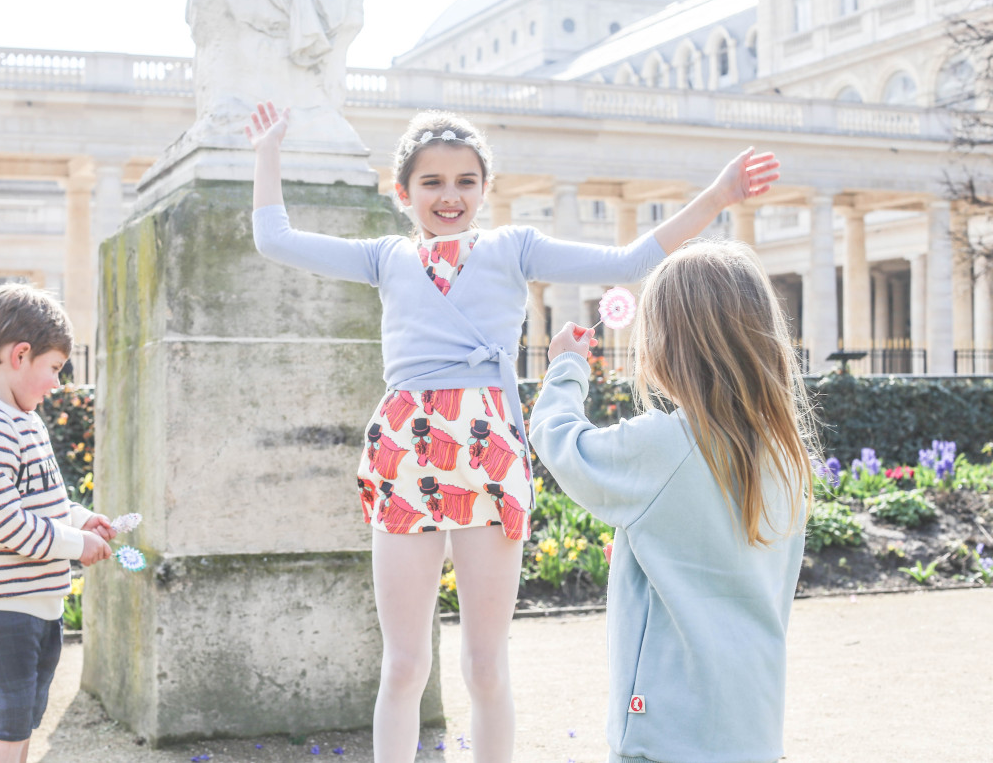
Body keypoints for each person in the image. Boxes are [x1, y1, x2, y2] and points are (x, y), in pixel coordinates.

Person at [245, 100, 780, 762]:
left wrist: (720, 194)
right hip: (405, 458)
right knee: (404, 665)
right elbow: (276, 240)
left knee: (485, 664)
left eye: (465, 181)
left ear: (485, 188)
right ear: (402, 190)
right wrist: (267, 151)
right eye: (433, 182)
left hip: (488, 456)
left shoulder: (513, 247)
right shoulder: (386, 256)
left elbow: (629, 259)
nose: (449, 195)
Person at [529, 240, 817, 763]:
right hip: (753, 724)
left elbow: (559, 442)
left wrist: (565, 369)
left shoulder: (663, 446)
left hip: (664, 725)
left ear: (665, 346)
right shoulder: (785, 453)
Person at [0, 283, 115, 763]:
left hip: (36, 604)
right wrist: (75, 545)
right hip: (4, 606)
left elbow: (42, 502)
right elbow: (1, 521)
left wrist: (82, 519)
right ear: (20, 355)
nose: (57, 383)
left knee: (24, 719)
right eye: (53, 369)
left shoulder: (24, 419)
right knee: (7, 725)